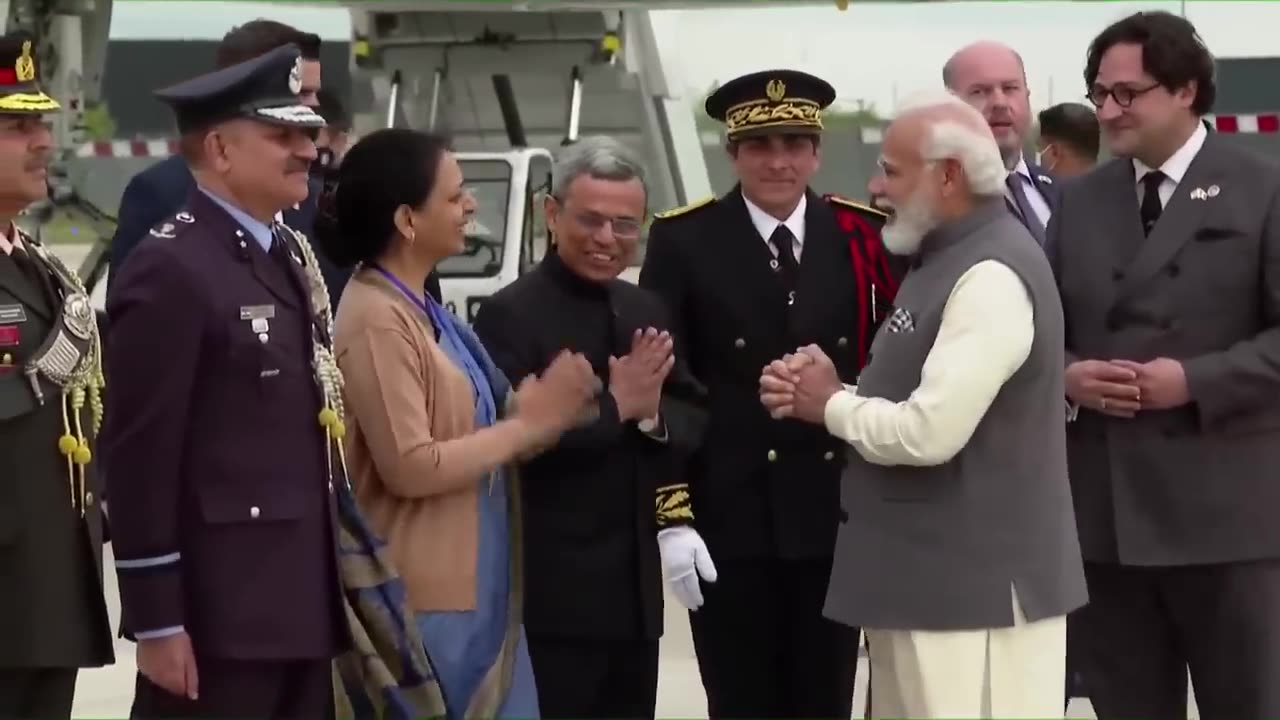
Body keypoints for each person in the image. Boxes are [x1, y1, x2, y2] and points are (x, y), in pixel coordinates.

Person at [760, 90, 1087, 719]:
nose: (875, 185)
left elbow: (929, 432)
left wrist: (828, 406)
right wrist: (842, 392)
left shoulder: (990, 273)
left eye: (891, 169)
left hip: (971, 595)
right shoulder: (942, 257)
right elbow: (931, 401)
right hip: (925, 584)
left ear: (948, 176)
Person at [639, 69, 902, 719]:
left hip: (836, 510)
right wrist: (673, 513)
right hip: (732, 512)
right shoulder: (683, 239)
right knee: (739, 699)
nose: (779, 161)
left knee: (826, 696)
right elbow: (666, 385)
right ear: (732, 153)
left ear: (816, 151)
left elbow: (893, 364)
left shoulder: (863, 235)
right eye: (761, 146)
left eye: (794, 143)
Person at [318, 127, 602, 720]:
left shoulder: (423, 306)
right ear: (406, 220)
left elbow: (500, 414)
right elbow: (412, 466)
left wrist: (564, 403)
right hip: (425, 603)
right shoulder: (375, 318)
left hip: (478, 590)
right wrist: (529, 425)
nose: (469, 205)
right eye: (454, 196)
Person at [102, 44, 349, 718]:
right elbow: (139, 458)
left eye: (307, 132)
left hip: (297, 605)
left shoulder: (284, 256)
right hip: (218, 622)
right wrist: (156, 620)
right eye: (282, 135)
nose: (307, 149)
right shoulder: (172, 268)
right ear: (219, 148)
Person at [1049, 11, 1280, 719]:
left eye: (1127, 94)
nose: (1109, 111)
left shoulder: (1261, 187)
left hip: (1229, 520)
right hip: (1106, 519)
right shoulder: (1081, 199)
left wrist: (1196, 381)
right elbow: (1037, 328)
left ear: (1185, 90)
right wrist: (1065, 377)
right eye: (1099, 94)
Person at [472, 136, 713, 719]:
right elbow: (512, 443)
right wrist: (617, 408)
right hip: (553, 592)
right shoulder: (510, 313)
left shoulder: (644, 309)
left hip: (634, 594)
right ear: (551, 215)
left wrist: (653, 416)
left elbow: (691, 412)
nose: (607, 240)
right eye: (591, 220)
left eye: (625, 225)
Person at [0, 30, 115, 718]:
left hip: (46, 595)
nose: (44, 141)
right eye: (18, 126)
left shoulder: (38, 264)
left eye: (42, 122)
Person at [108, 20, 359, 310]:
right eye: (301, 92)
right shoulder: (163, 195)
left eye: (315, 92)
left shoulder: (316, 200)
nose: (314, 105)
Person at [944, 41, 1057, 246]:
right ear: (950, 106)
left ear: (1027, 98)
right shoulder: (937, 204)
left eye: (1010, 88)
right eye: (979, 91)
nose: (1000, 103)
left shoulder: (1063, 193)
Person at [1036, 102, 1100, 178]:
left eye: (1040, 148)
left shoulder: (1040, 188)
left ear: (1054, 152)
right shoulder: (1113, 187)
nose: (1039, 157)